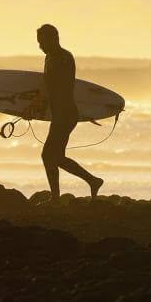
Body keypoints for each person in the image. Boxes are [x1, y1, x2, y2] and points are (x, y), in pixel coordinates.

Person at [35, 23, 104, 201]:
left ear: (54, 39)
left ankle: (58, 198)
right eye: (38, 42)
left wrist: (39, 103)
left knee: (49, 156)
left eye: (42, 42)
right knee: (55, 157)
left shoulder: (64, 58)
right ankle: (91, 181)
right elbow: (48, 87)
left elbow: (58, 88)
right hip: (59, 114)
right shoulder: (49, 57)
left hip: (66, 114)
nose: (40, 46)